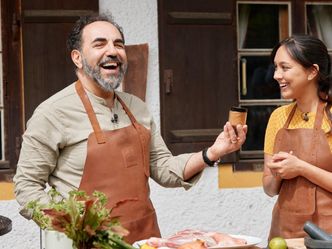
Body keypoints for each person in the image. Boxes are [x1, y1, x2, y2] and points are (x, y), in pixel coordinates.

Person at [13, 13, 247, 243]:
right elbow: (27, 186)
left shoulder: (137, 108)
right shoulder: (52, 113)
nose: (113, 51)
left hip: (144, 239)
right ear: (77, 57)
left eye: (119, 44)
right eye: (99, 44)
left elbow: (163, 168)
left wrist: (213, 153)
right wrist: (71, 227)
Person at [263, 34, 332, 239]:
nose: (276, 75)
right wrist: (278, 173)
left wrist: (300, 167)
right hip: (284, 236)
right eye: (275, 67)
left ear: (312, 71)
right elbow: (269, 188)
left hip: (326, 238)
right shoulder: (278, 117)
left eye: (285, 67)